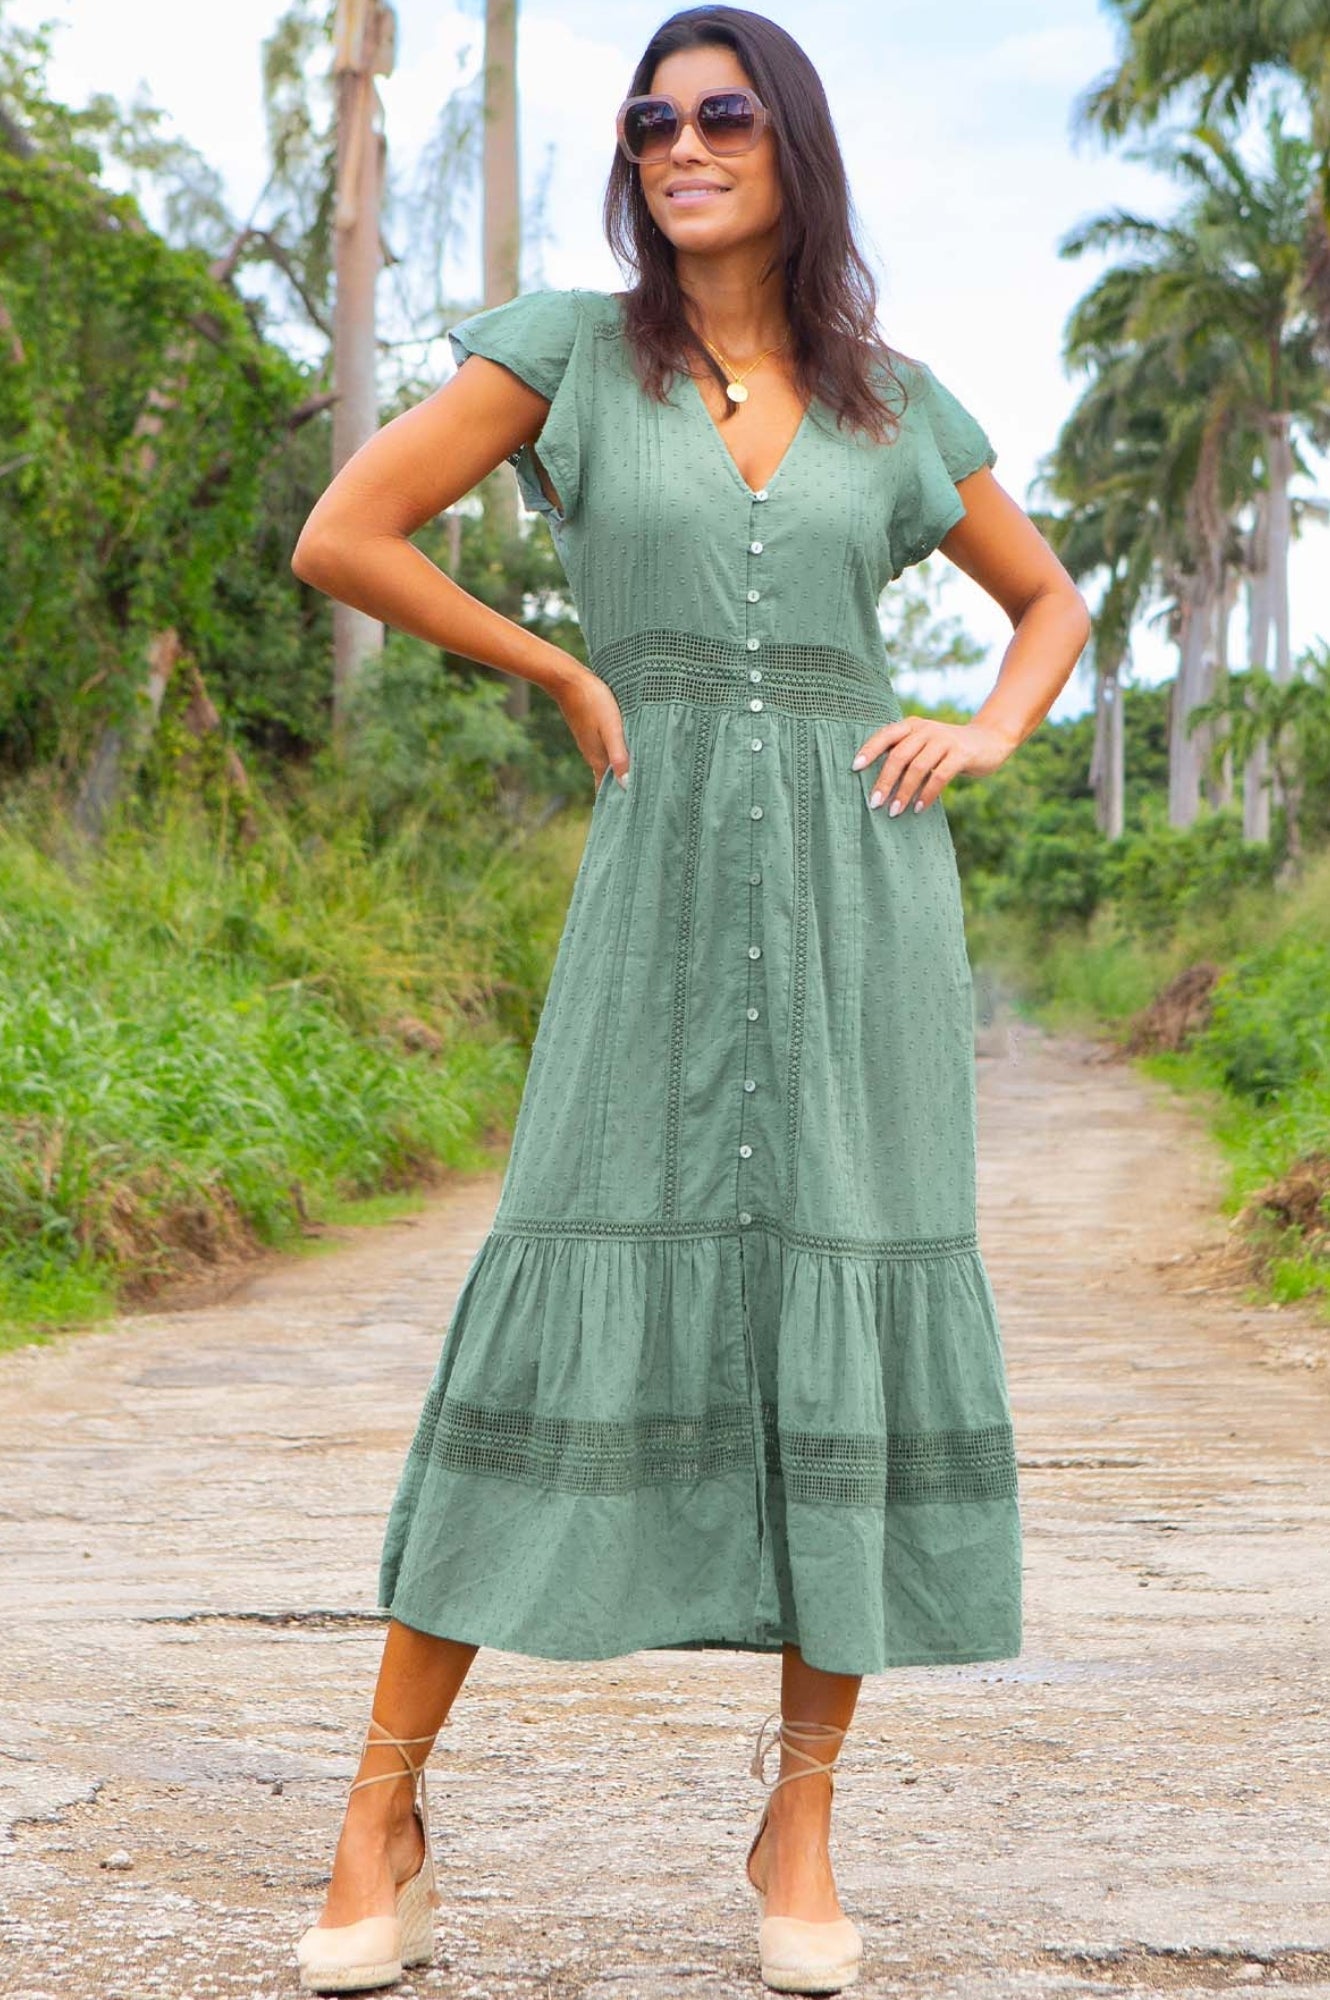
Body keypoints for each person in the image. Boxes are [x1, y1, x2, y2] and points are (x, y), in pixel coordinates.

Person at [288, 6, 1091, 1993]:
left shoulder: (896, 405)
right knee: (560, 1261)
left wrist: (983, 732)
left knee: (852, 1273)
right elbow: (345, 534)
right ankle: (378, 1809)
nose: (681, 143)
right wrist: (559, 672)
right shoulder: (561, 347)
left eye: (721, 113)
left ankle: (798, 1823)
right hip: (650, 890)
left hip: (857, 899)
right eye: (652, 120)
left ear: (789, 146)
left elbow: (1048, 602)